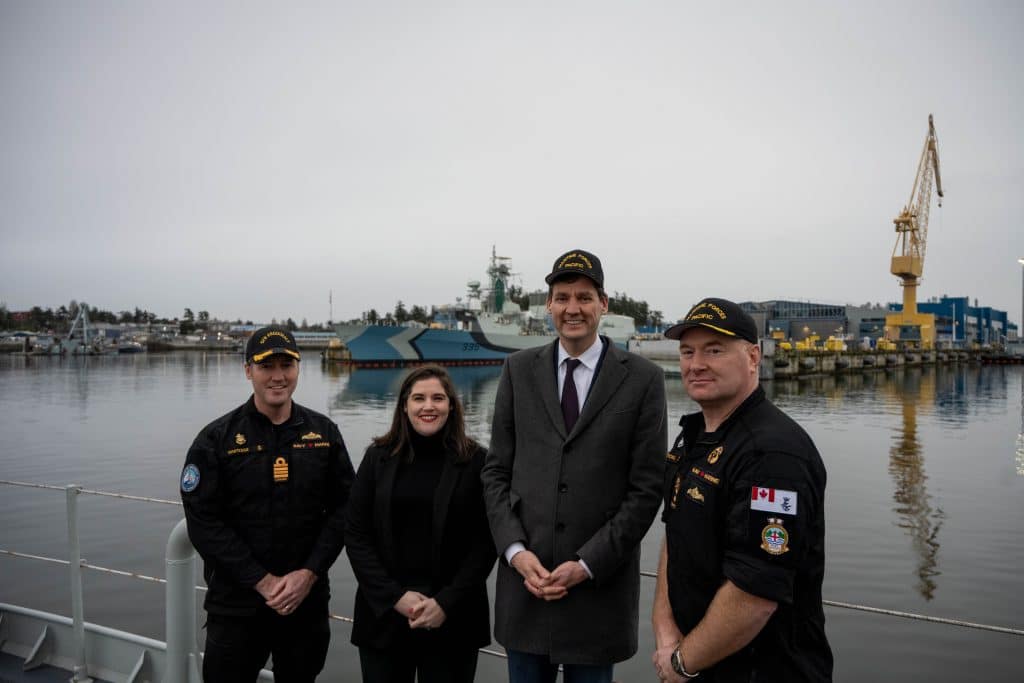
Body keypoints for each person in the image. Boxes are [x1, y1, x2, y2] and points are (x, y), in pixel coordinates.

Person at [481, 249, 668, 683]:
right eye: (562, 297)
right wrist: (514, 551)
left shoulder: (642, 380)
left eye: (584, 297)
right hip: (525, 588)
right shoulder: (517, 370)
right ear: (548, 305)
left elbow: (646, 489)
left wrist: (586, 564)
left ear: (604, 304)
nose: (572, 308)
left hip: (597, 594)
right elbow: (495, 472)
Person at [651, 298, 832, 682]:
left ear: (753, 357)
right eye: (687, 351)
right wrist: (667, 635)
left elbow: (754, 594)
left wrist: (682, 662)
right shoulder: (693, 438)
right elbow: (676, 532)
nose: (696, 364)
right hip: (696, 662)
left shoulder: (773, 454)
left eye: (714, 350)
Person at [180, 325, 355, 683]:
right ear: (248, 371)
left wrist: (308, 574)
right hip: (236, 605)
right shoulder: (216, 439)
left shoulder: (323, 435)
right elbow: (204, 521)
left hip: (304, 602)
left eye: (286, 365)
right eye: (266, 366)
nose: (278, 376)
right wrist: (260, 581)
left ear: (298, 368)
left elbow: (345, 509)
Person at [345, 365, 496, 683]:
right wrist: (394, 597)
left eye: (438, 398)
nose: (429, 406)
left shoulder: (476, 462)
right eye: (419, 398)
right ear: (404, 405)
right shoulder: (377, 458)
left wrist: (445, 602)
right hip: (385, 617)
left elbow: (485, 543)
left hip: (453, 619)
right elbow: (356, 533)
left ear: (452, 405)